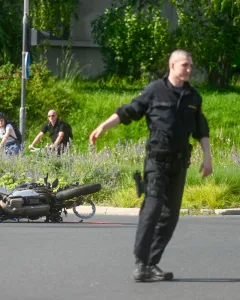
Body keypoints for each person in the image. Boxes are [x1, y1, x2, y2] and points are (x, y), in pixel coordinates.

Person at [89, 50, 213, 282]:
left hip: (180, 164)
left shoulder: (193, 97)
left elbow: (201, 130)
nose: (189, 69)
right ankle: (140, 262)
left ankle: (150, 263)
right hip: (156, 162)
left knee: (171, 216)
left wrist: (208, 158)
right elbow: (129, 111)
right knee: (153, 208)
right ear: (172, 65)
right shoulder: (155, 90)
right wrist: (104, 126)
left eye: (191, 66)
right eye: (185, 65)